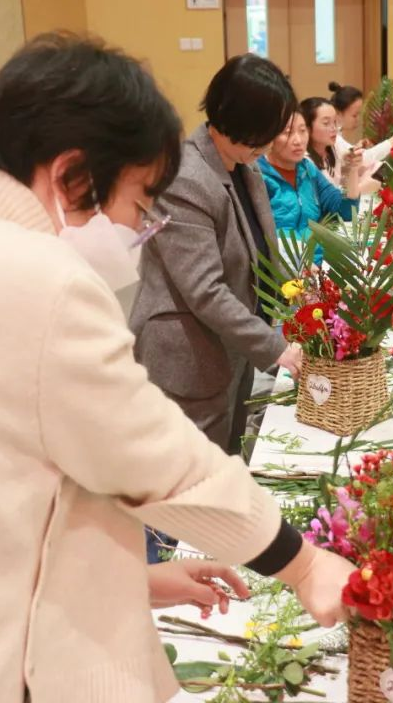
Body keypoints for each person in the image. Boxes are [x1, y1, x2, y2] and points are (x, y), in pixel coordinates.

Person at [0, 33, 353, 703]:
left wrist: (132, 581)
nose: (139, 233)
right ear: (73, 177)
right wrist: (302, 564)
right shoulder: (40, 281)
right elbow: (161, 461)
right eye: (139, 207)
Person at [130, 55, 303, 477]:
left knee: (227, 462)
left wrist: (297, 289)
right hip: (187, 355)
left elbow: (257, 250)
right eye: (266, 129)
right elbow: (204, 290)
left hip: (230, 346)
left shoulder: (243, 163)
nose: (272, 141)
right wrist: (275, 347)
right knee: (192, 477)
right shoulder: (186, 177)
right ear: (237, 119)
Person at [259, 109, 361, 262]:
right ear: (269, 137)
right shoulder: (258, 176)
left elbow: (345, 211)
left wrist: (352, 170)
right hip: (283, 268)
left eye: (302, 131)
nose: (298, 140)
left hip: (319, 263)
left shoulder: (307, 169)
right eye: (287, 133)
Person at [328, 81, 393, 184]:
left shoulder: (338, 135)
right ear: (338, 113)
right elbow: (365, 158)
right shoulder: (334, 138)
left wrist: (356, 148)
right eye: (354, 115)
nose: (358, 119)